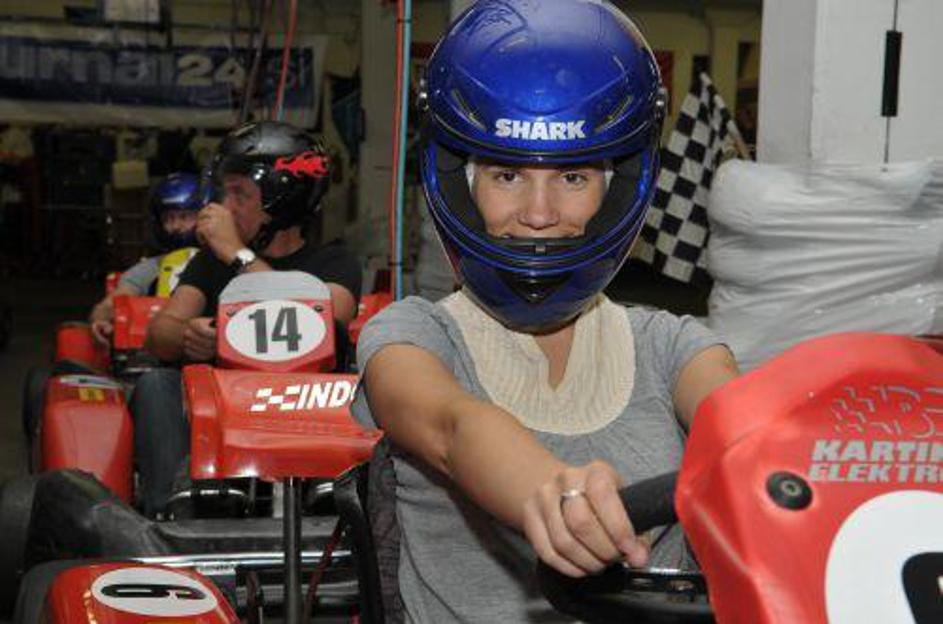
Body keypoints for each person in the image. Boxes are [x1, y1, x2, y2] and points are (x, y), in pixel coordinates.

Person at [350, 1, 740, 622]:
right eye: (506, 176)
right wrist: (551, 490)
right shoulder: (414, 333)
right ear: (462, 183)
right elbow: (453, 427)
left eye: (573, 178)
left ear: (616, 189)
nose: (538, 214)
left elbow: (744, 428)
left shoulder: (673, 346)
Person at [132, 120, 362, 517]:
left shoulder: (333, 262)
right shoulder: (210, 263)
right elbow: (158, 334)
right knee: (155, 384)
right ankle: (172, 515)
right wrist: (188, 335)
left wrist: (238, 254)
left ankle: (342, 498)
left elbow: (327, 322)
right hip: (224, 414)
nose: (226, 205)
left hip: (306, 411)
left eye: (240, 193)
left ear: (281, 199)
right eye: (226, 191)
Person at [88, 171, 202, 346]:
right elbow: (111, 304)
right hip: (158, 350)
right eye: (168, 219)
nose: (176, 226)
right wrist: (100, 319)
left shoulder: (226, 262)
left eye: (185, 217)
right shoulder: (150, 268)